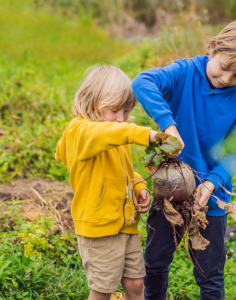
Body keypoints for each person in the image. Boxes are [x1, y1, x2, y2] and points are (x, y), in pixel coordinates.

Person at [131, 18, 236, 300]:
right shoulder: (185, 72)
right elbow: (142, 81)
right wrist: (168, 125)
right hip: (169, 188)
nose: (227, 79)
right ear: (213, 48)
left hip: (210, 200)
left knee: (211, 275)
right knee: (155, 264)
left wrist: (210, 184)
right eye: (224, 67)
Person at [55, 64, 158, 300]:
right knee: (103, 290)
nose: (121, 120)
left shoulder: (115, 133)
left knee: (135, 284)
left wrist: (140, 187)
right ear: (91, 103)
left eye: (126, 112)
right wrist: (145, 135)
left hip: (125, 224)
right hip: (99, 228)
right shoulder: (78, 132)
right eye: (115, 111)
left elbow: (126, 171)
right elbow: (103, 135)